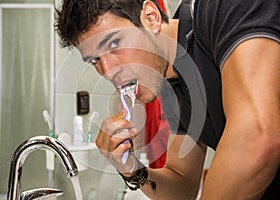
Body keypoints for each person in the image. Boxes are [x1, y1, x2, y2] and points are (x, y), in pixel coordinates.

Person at [55, 0, 280, 199]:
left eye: (115, 44)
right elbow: (183, 184)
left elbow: (257, 137)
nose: (108, 71)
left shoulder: (221, 7)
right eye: (94, 60)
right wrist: (132, 169)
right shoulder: (170, 81)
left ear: (151, 18)